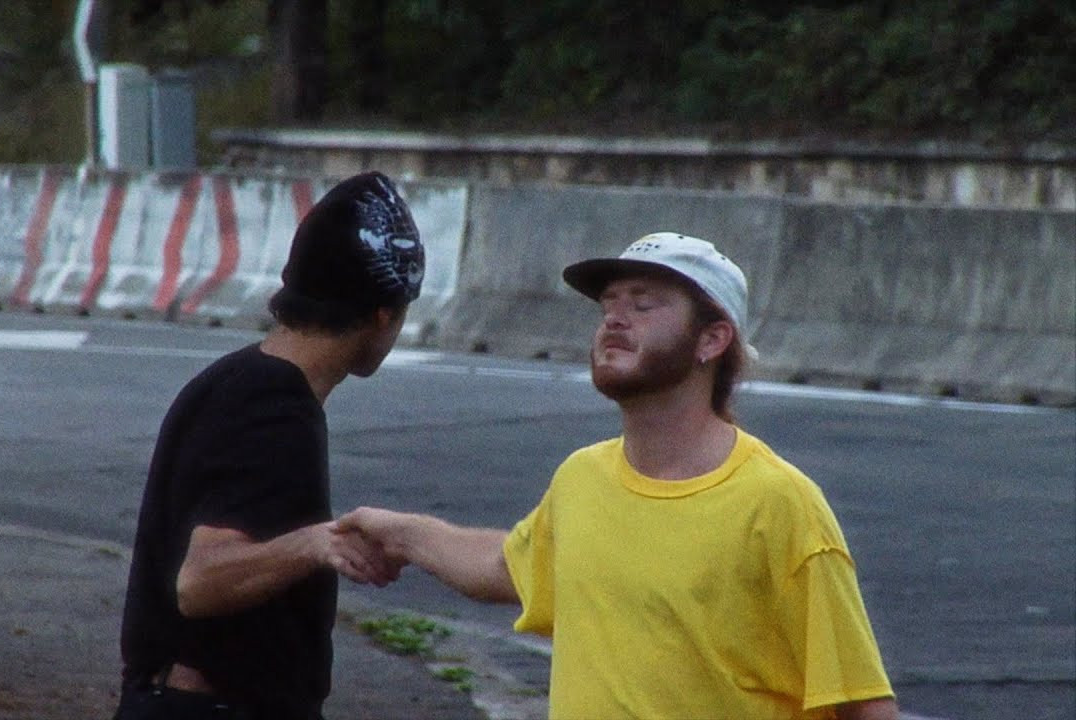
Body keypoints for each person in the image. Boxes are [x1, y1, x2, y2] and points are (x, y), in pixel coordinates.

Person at [336, 233, 899, 719]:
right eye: (608, 304)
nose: (614, 319)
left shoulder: (779, 502)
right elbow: (506, 566)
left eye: (644, 304)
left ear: (712, 340)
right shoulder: (583, 477)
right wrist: (400, 533)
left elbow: (865, 705)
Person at [114, 172, 424, 720]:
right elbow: (200, 582)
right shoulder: (271, 407)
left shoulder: (240, 381)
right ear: (383, 314)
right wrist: (316, 544)